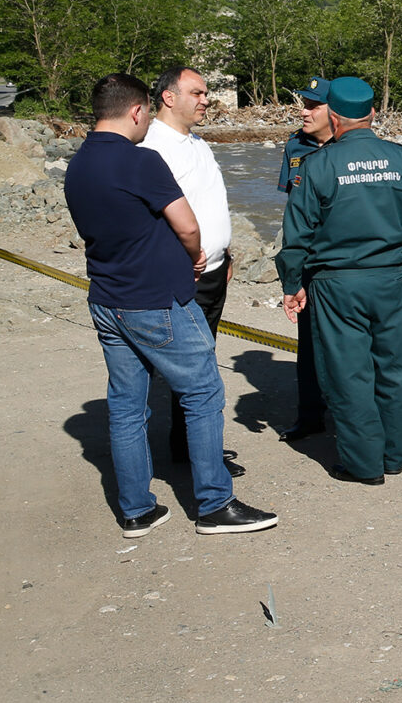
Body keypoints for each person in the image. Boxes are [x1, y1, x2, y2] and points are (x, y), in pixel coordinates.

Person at [64, 72, 277, 536]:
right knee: (203, 392)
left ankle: (137, 509)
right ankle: (214, 505)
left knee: (125, 406)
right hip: (156, 297)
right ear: (139, 110)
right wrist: (197, 255)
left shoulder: (77, 164)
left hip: (107, 296)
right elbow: (186, 225)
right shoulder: (141, 160)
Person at [275, 77, 402, 485]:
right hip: (387, 279)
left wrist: (291, 283)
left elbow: (297, 235)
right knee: (392, 367)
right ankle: (395, 454)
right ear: (372, 114)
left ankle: (363, 464)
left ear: (333, 116)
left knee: (348, 373)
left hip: (337, 283)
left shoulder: (319, 164)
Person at [139, 66, 243, 477]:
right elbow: (150, 214)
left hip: (213, 270)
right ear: (168, 96)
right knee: (194, 370)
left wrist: (224, 252)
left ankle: (189, 448)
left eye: (206, 93)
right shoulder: (152, 147)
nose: (206, 100)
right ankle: (200, 458)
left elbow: (206, 201)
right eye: (197, 93)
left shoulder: (197, 142)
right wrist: (184, 256)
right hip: (184, 274)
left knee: (204, 360)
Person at [273, 76, 333, 442]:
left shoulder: (352, 146)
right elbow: (291, 210)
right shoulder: (295, 145)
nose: (304, 111)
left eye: (313, 105)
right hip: (308, 261)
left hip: (342, 261)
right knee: (308, 343)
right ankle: (310, 414)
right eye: (303, 104)